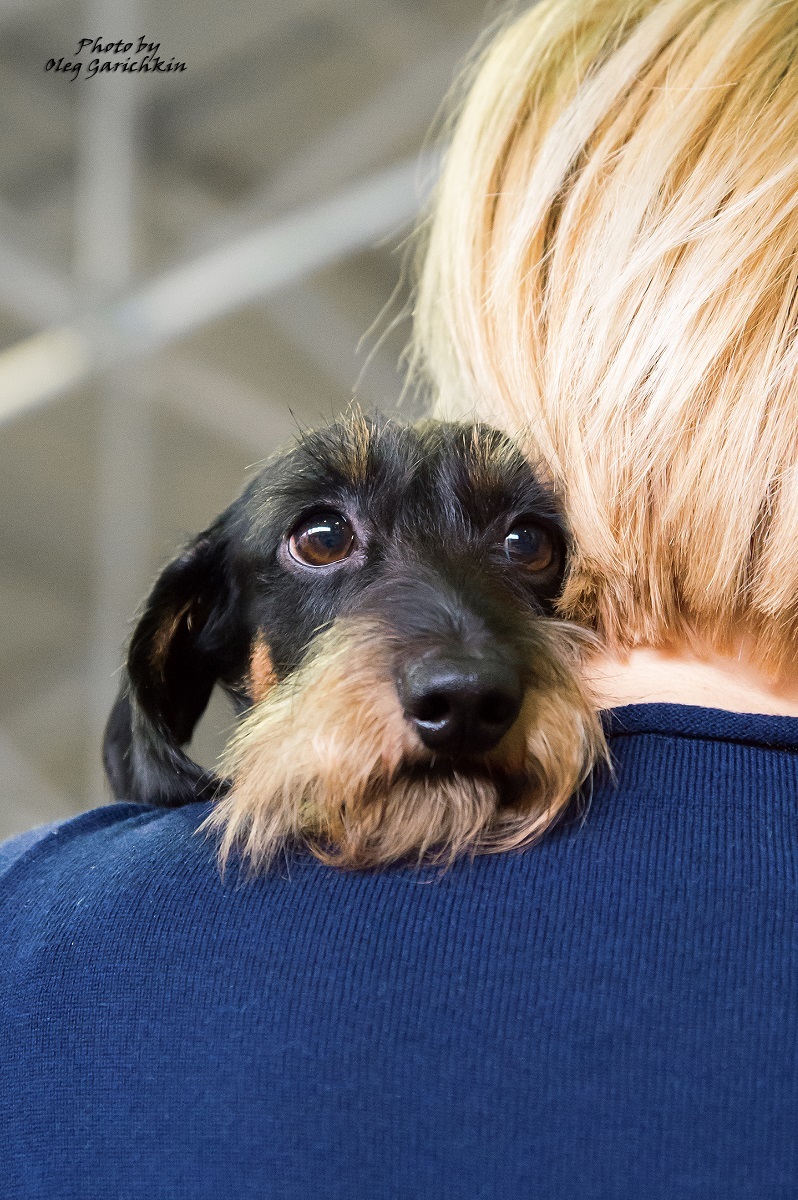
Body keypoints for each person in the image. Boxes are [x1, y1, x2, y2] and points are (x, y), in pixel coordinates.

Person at [3, 0, 797, 1194]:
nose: (461, 672)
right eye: (325, 541)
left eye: (524, 544)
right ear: (203, 655)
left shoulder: (30, 941)